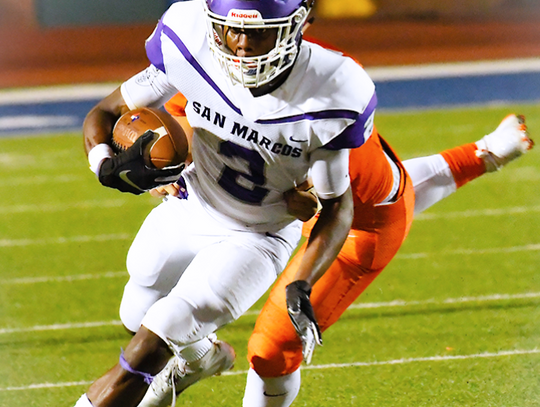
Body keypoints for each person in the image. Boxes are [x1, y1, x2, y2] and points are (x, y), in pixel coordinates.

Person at [144, 90, 533, 407]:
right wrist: (162, 164)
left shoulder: (323, 123)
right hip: (331, 190)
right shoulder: (241, 69)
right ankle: (486, 153)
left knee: (271, 348)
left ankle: (487, 153)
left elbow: (324, 209)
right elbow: (178, 117)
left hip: (355, 223)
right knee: (156, 272)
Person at [73, 0, 374, 406]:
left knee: (156, 336)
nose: (242, 46)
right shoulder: (191, 37)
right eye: (233, 30)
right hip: (190, 202)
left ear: (298, 25)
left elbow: (337, 206)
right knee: (136, 311)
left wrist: (302, 280)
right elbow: (107, 112)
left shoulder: (332, 90)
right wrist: (106, 165)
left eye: (258, 32)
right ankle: (201, 358)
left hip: (257, 236)